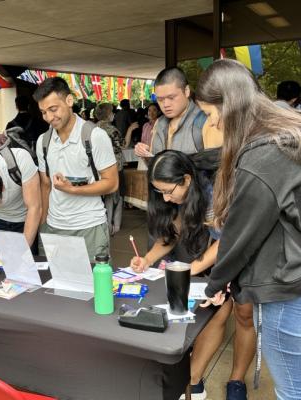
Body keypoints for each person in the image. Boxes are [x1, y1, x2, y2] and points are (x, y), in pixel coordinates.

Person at [198, 59, 301, 400]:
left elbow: (241, 235)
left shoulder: (264, 154)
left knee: (292, 390)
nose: (213, 124)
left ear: (229, 104)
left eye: (212, 115)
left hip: (287, 292)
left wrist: (214, 284)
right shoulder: (285, 134)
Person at [131, 150, 254, 400]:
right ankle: (188, 377)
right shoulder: (173, 197)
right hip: (199, 252)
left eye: (168, 191)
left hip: (232, 249)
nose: (165, 198)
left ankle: (194, 380)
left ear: (186, 180)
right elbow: (171, 235)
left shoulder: (213, 192)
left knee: (219, 312)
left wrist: (192, 270)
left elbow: (225, 242)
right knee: (188, 312)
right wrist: (147, 259)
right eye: (159, 192)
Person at [34, 77, 118, 261]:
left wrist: (73, 189)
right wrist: (43, 225)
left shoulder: (94, 136)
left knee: (95, 287)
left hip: (89, 226)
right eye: (43, 112)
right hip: (54, 227)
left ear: (69, 101)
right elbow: (45, 186)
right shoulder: (43, 142)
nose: (49, 117)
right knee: (52, 288)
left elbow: (111, 184)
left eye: (53, 109)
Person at [134, 67, 222, 160]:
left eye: (171, 97)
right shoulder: (159, 123)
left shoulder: (207, 122)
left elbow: (217, 170)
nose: (165, 104)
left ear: (187, 91)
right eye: (160, 99)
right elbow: (156, 168)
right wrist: (146, 155)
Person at [95, 103, 131, 235]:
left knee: (104, 197)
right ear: (108, 114)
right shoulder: (112, 129)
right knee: (117, 196)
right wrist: (131, 129)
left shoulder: (94, 128)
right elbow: (124, 145)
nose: (114, 114)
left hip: (99, 167)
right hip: (114, 166)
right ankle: (114, 225)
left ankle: (105, 225)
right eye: (112, 112)